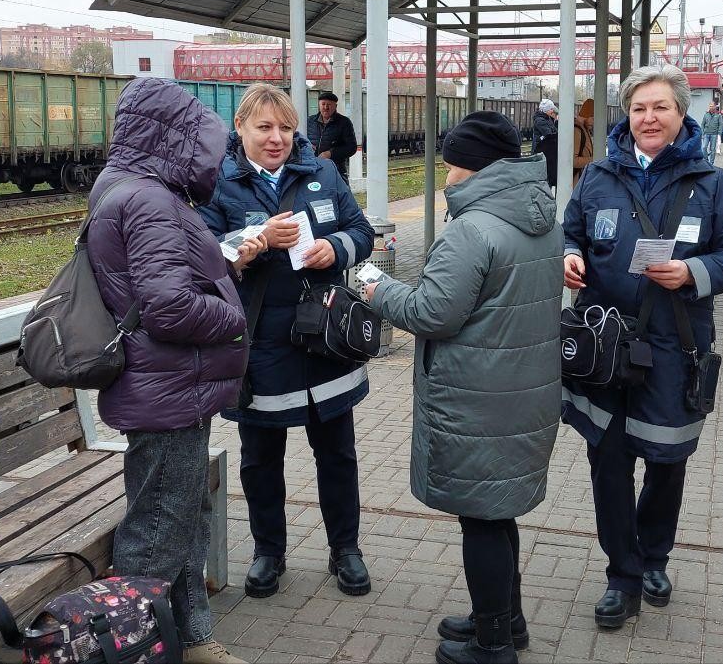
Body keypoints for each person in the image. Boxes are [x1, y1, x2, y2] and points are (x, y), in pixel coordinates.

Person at [364, 110, 562, 664]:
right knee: (497, 514)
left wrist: (373, 286)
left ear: (472, 168)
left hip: (477, 400)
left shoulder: (472, 230)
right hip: (520, 394)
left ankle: (493, 646)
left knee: (481, 520)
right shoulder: (541, 217)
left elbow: (431, 313)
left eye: (450, 164)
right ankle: (504, 619)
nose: (445, 176)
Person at [88, 78, 268, 664]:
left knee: (181, 518)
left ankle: (190, 638)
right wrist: (232, 316)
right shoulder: (149, 200)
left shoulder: (128, 188)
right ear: (176, 140)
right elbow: (168, 307)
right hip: (164, 393)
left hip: (167, 389)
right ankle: (132, 647)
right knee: (158, 531)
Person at [562, 64, 723, 631]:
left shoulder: (710, 181)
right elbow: (571, 229)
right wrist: (569, 256)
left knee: (666, 459)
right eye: (638, 108)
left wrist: (694, 271)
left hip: (674, 348)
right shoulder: (599, 175)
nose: (648, 118)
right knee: (608, 462)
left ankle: (654, 557)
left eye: (660, 107)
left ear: (683, 114)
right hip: (604, 343)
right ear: (625, 116)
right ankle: (622, 574)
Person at [199, 83, 375, 600]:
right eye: (264, 128)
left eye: (286, 128)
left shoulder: (321, 172)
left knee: (337, 452)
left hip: (323, 337)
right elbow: (204, 253)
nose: (277, 139)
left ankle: (346, 549)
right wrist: (248, 247)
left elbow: (360, 230)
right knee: (260, 456)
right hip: (261, 344)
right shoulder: (219, 185)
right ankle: (268, 553)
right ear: (241, 129)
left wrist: (334, 248)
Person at [306, 91, 358, 183]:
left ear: (335, 106)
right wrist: (307, 146)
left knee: (340, 195)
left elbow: (351, 147)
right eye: (323, 104)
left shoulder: (344, 122)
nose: (326, 107)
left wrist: (331, 153)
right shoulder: (309, 121)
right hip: (312, 169)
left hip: (336, 170)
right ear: (319, 105)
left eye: (329, 105)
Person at [533, 98, 560, 190]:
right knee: (545, 176)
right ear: (546, 110)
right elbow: (550, 134)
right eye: (551, 109)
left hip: (548, 152)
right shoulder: (540, 120)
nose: (553, 111)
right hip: (543, 152)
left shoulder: (547, 119)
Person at [574, 98, 595, 183]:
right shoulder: (576, 131)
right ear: (587, 115)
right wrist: (594, 159)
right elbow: (573, 161)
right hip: (577, 181)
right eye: (593, 118)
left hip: (582, 178)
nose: (594, 122)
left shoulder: (583, 129)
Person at [700, 101, 722, 166]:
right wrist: (703, 132)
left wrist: (719, 134)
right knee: (704, 147)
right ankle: (706, 160)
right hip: (706, 134)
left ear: (715, 106)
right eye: (710, 106)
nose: (711, 107)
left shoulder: (718, 115)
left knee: (712, 149)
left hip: (714, 135)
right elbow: (702, 124)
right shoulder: (706, 114)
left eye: (712, 106)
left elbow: (720, 125)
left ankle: (711, 163)